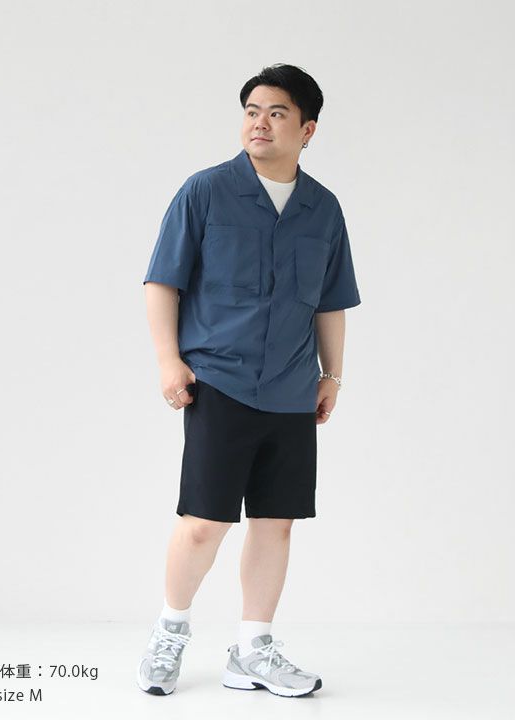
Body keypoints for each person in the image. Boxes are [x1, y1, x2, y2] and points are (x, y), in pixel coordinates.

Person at [137, 63, 361, 698]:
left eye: (277, 113)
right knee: (203, 521)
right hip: (219, 381)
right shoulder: (206, 192)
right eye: (252, 111)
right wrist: (168, 360)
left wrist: (332, 374)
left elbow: (331, 301)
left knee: (275, 521)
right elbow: (162, 281)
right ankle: (170, 630)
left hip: (291, 389)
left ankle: (254, 649)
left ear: (307, 129)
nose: (259, 124)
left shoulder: (323, 209)